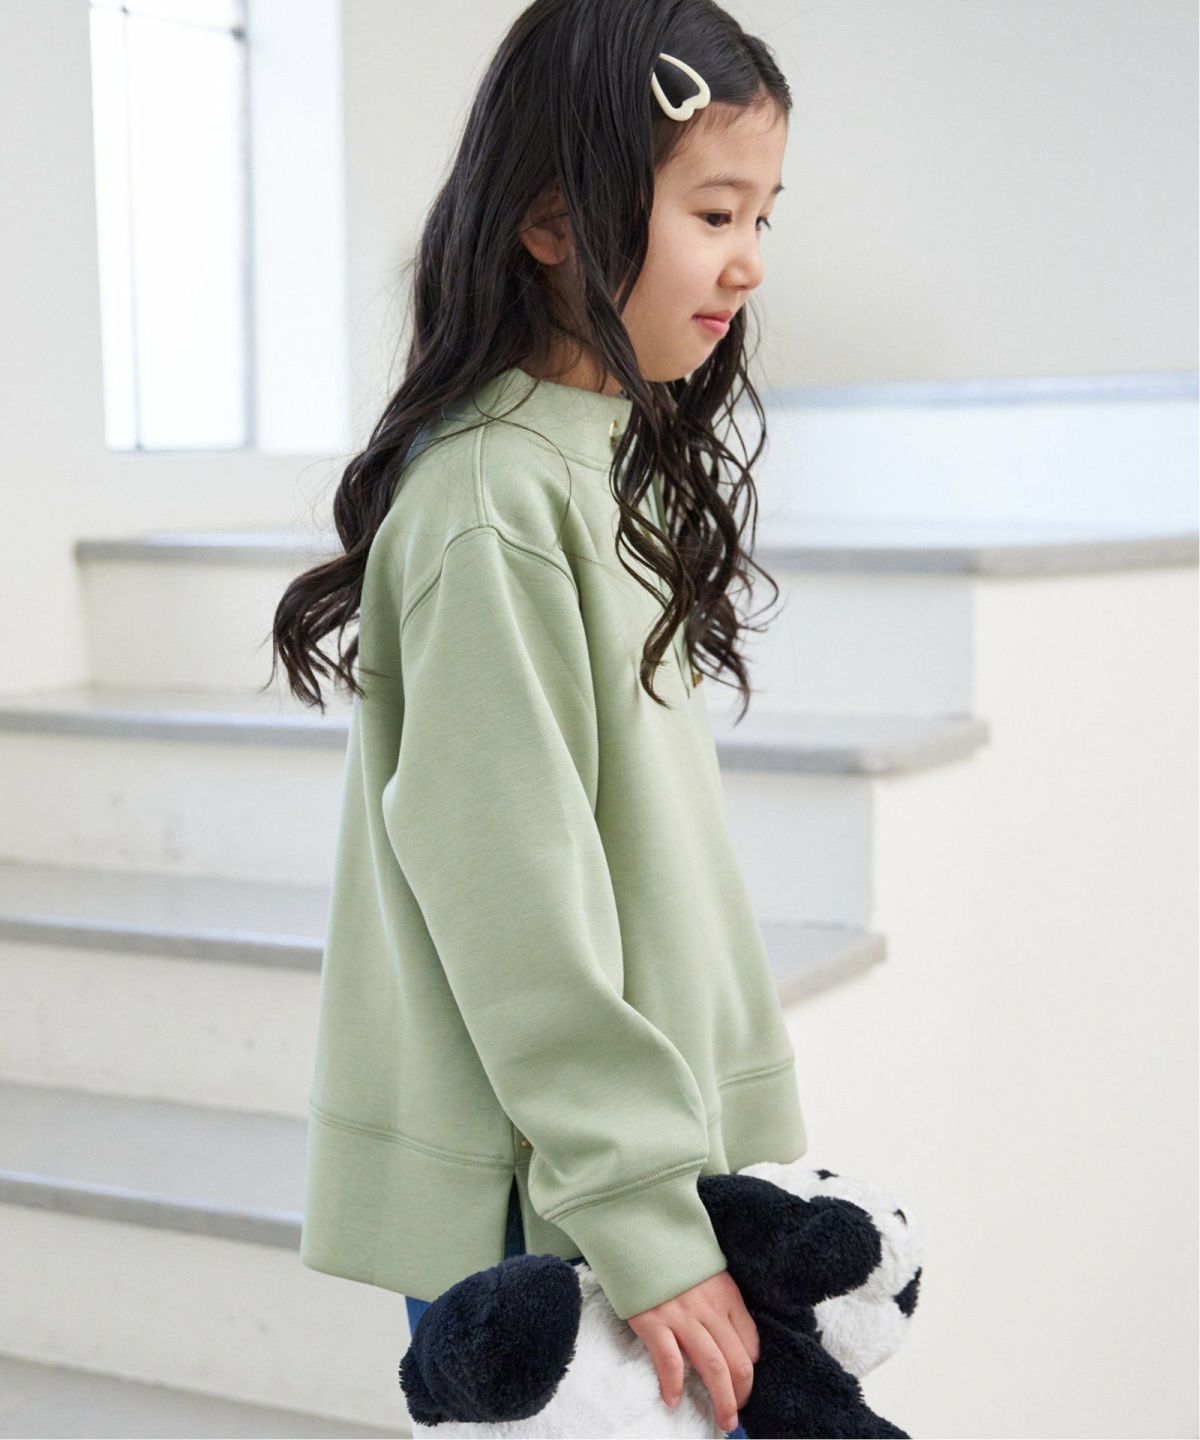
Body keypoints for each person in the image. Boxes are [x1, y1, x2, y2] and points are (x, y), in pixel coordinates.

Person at [269, 4, 805, 1435]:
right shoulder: (490, 500)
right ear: (557, 221)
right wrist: (638, 1200)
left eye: (762, 215)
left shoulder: (596, 464)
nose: (749, 259)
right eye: (714, 212)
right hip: (552, 1208)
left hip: (627, 1176)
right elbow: (509, 891)